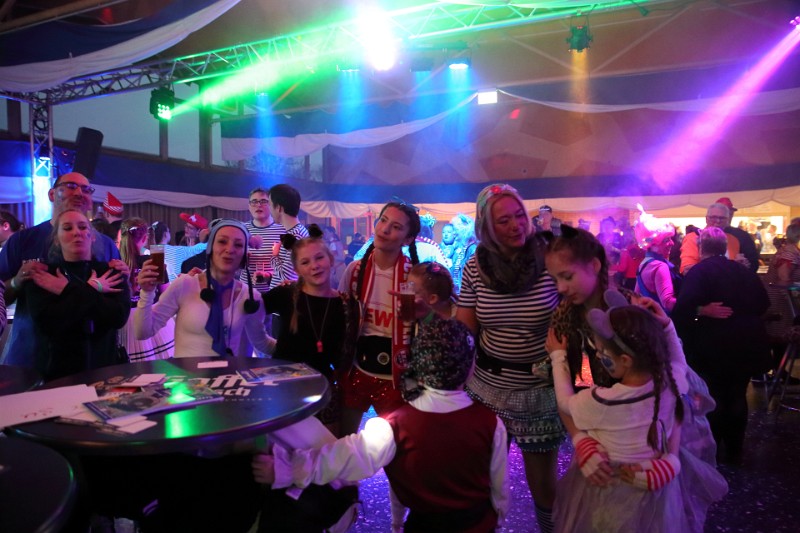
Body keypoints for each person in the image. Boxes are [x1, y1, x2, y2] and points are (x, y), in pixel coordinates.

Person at [253, 316, 510, 533]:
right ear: (470, 367)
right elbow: (499, 490)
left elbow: (342, 458)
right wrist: (498, 521)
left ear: (417, 366)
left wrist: (287, 470)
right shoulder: (491, 423)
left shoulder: (393, 427)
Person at [455, 183, 561, 533]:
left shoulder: (550, 259)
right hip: (486, 389)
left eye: (519, 216)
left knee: (544, 488)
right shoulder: (475, 266)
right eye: (504, 221)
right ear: (486, 227)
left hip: (539, 389)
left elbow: (578, 303)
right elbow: (465, 330)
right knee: (480, 480)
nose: (516, 225)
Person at [546, 304, 688, 532]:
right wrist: (668, 327)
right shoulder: (672, 383)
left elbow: (564, 401)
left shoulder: (603, 401)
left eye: (602, 351)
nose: (598, 355)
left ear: (625, 360)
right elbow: (680, 363)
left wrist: (557, 356)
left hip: (609, 489)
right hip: (656, 488)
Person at [0, 172, 122, 368]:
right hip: (32, 359)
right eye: (71, 186)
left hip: (94, 360)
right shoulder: (22, 241)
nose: (79, 193)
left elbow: (117, 306)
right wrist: (17, 281)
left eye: (86, 189)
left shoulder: (107, 245)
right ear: (51, 194)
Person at [672, 227, 771, 465]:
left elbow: (682, 309)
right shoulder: (742, 271)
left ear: (700, 248)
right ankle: (735, 451)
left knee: (714, 396)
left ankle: (714, 451)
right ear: (725, 247)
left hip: (713, 345)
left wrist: (701, 310)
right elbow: (763, 303)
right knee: (737, 395)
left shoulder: (699, 272)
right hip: (747, 343)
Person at [337, 200, 421, 437]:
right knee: (344, 440)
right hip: (357, 368)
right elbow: (340, 316)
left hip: (398, 375)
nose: (384, 229)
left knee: (399, 446)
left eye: (396, 227)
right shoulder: (354, 270)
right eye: (383, 220)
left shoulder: (416, 277)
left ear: (408, 239)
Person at [135, 218, 274, 358]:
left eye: (238, 245)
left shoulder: (251, 297)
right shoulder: (184, 285)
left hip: (230, 371)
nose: (230, 249)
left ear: (244, 255)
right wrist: (147, 292)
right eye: (222, 241)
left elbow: (262, 343)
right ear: (210, 248)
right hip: (186, 372)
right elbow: (143, 332)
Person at [24, 209, 130, 381]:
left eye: (82, 227)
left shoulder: (111, 271)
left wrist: (66, 290)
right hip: (59, 375)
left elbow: (118, 317)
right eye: (67, 228)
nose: (76, 233)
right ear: (56, 239)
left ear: (92, 236)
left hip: (106, 372)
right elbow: (50, 324)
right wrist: (92, 288)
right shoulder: (44, 276)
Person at [262, 225, 348, 432]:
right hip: (283, 387)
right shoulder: (285, 295)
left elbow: (341, 352)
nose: (314, 266)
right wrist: (263, 344)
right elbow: (246, 310)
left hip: (322, 387)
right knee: (283, 444)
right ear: (297, 269)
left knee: (327, 443)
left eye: (319, 258)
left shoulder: (345, 304)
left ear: (331, 259)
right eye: (305, 262)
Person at [117, 217, 174, 362]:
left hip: (124, 322)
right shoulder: (154, 262)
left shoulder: (116, 264)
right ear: (144, 238)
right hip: (148, 316)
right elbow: (166, 294)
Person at [762, 222, 800, 370]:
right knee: (781, 336)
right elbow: (783, 278)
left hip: (782, 299)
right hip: (780, 301)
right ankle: (778, 372)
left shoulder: (791, 251)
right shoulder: (789, 253)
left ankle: (779, 372)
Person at [680, 202, 744, 274]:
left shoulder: (733, 240)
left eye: (722, 218)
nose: (718, 221)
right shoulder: (693, 238)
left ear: (728, 220)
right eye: (713, 217)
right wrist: (731, 267)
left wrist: (740, 266)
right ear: (706, 219)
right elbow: (687, 271)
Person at [243, 187, 286, 293]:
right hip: (246, 292)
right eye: (254, 201)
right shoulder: (241, 229)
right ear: (249, 206)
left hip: (275, 292)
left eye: (263, 201)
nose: (258, 205)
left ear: (271, 205)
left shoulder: (283, 229)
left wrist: (269, 276)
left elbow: (289, 266)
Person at [268, 184, 309, 289]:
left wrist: (274, 255)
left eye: (270, 205)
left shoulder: (296, 235)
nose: (269, 210)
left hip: (285, 297)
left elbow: (287, 276)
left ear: (279, 208)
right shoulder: (295, 232)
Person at [635, 223, 680, 314]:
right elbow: (668, 302)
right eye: (666, 240)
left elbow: (637, 296)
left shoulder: (643, 264)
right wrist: (694, 306)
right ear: (654, 244)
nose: (672, 243)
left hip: (651, 319)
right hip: (664, 319)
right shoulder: (660, 266)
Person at [715, 197, 759, 273]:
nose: (729, 216)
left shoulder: (742, 235)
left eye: (730, 214)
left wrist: (744, 265)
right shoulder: (704, 235)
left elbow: (753, 263)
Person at [448, 213, 478, 296]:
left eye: (455, 229)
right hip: (459, 295)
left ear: (465, 228)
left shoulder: (473, 249)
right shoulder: (460, 249)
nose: (453, 233)